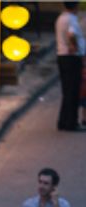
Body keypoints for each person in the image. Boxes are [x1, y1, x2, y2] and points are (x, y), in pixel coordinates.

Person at [55, 2, 85, 131]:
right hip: (71, 58)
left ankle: (63, 121)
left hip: (63, 56)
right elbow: (71, 34)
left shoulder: (61, 18)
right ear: (76, 6)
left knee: (67, 91)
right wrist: (75, 47)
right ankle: (71, 123)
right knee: (72, 91)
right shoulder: (71, 19)